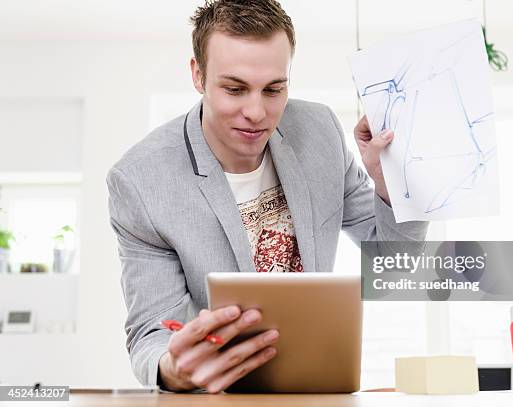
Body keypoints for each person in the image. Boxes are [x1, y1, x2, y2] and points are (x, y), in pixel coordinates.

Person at [107, 0, 428, 393]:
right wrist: (173, 368)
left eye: (274, 89)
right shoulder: (140, 181)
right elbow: (150, 332)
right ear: (198, 74)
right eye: (235, 89)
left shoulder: (321, 131)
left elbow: (396, 264)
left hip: (317, 387)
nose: (256, 112)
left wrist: (391, 186)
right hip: (218, 398)